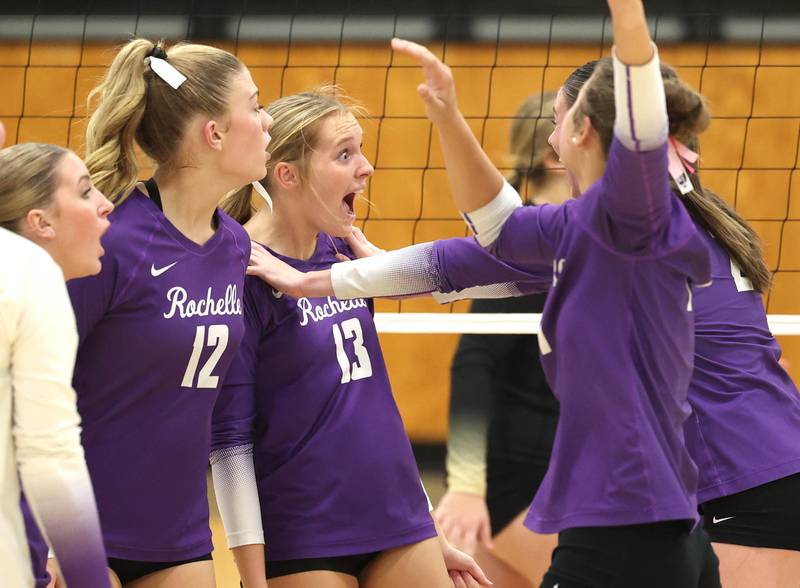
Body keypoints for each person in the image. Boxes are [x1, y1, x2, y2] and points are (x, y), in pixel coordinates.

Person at [245, 1, 724, 585]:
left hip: (629, 512)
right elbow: (479, 244)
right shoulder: (572, 226)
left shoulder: (637, 217)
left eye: (555, 117)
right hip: (630, 512)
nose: (546, 135)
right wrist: (446, 116)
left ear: (584, 130)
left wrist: (627, 14)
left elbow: (642, 114)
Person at [213, 88, 491, 588]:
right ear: (288, 175)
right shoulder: (240, 271)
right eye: (345, 154)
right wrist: (252, 579)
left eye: (360, 150)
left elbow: (371, 404)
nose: (366, 168)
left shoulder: (343, 255)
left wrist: (425, 523)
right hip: (305, 532)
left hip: (400, 520)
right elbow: (230, 444)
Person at [41, 39, 272, 588]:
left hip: (181, 537)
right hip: (81, 531)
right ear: (214, 133)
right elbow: (37, 387)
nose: (267, 123)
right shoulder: (113, 239)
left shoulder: (235, 244)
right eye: (256, 106)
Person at [435, 92, 569, 588]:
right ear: (556, 154)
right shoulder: (530, 241)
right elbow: (474, 359)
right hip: (521, 477)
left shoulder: (568, 233)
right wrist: (468, 485)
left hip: (553, 467)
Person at [0, 138, 113, 587]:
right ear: (40, 221)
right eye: (85, 191)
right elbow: (49, 455)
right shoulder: (28, 271)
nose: (106, 205)